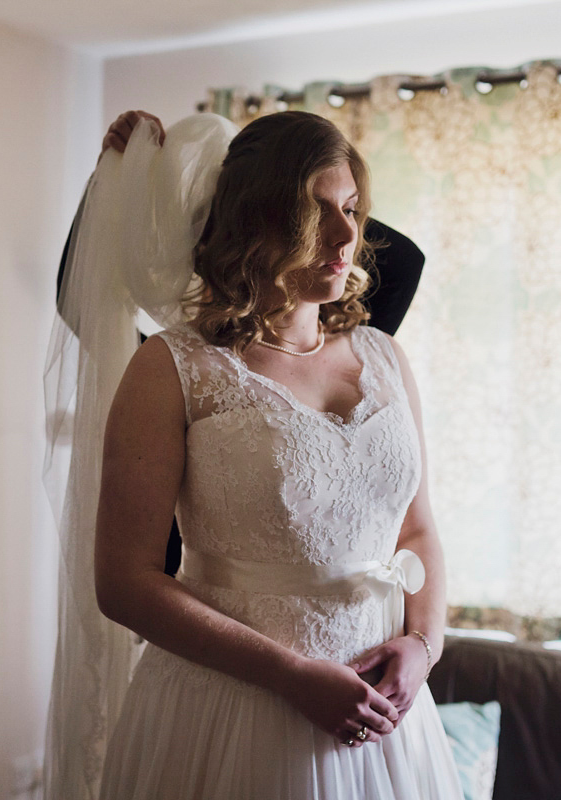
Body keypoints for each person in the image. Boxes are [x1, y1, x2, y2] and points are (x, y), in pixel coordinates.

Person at [58, 109, 460, 799]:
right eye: (315, 212)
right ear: (255, 222)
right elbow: (122, 581)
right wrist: (134, 183)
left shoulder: (384, 354)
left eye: (354, 209)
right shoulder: (172, 367)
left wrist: (423, 647)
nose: (347, 236)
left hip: (385, 720)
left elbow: (417, 529)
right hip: (233, 716)